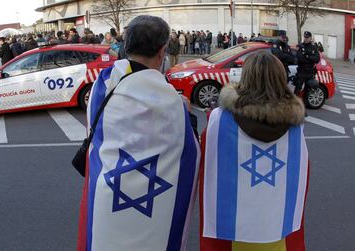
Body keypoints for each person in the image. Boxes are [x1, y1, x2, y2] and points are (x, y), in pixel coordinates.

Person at [77, 15, 199, 251]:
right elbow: (188, 150)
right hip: (154, 206)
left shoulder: (102, 87)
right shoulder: (171, 101)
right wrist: (188, 115)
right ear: (163, 51)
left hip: (110, 196)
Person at [199, 51, 308, 251]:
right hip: (276, 226)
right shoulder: (295, 126)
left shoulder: (219, 118)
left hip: (233, 231)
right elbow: (301, 175)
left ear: (245, 77)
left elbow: (208, 158)